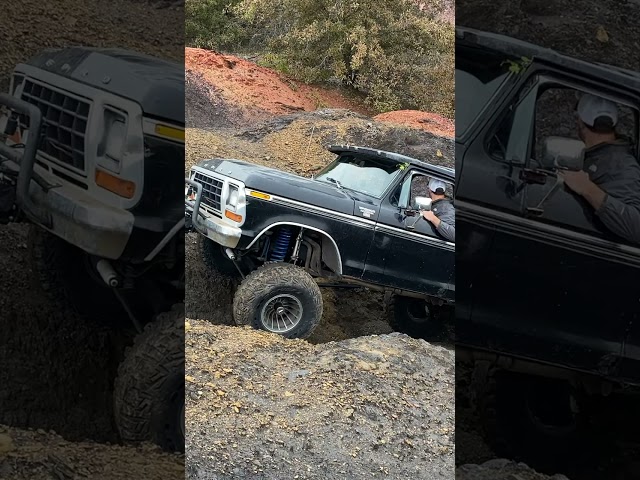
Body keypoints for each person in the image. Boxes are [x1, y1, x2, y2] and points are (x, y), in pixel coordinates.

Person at [560, 94, 640, 245]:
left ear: (580, 122)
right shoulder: (602, 155)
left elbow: (637, 227)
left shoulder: (621, 165)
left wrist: (587, 188)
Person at [422, 178, 455, 242]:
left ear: (429, 190)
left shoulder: (446, 208)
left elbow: (454, 235)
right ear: (444, 191)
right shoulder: (439, 204)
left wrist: (433, 218)